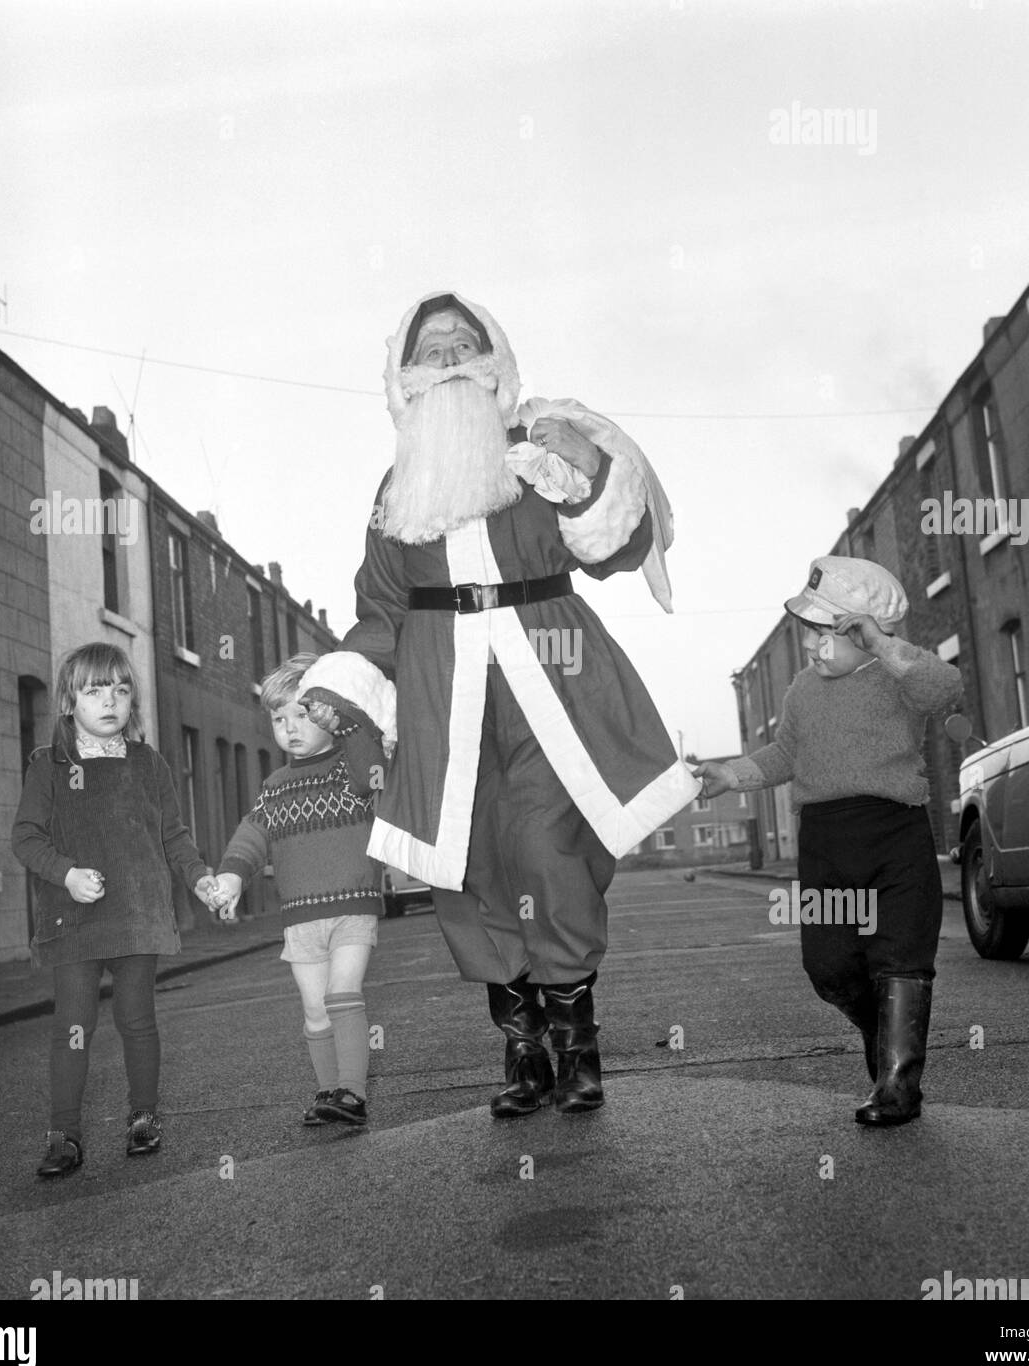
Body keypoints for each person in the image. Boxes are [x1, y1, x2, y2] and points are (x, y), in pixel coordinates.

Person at [302, 291, 699, 1118]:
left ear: (493, 363)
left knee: (546, 850)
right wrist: (339, 684)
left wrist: (586, 480)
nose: (447, 355)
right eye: (430, 346)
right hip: (443, 696)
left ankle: (576, 1044)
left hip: (551, 683)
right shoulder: (393, 488)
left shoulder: (540, 446)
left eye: (462, 343)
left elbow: (617, 547)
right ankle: (524, 1051)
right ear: (405, 377)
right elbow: (382, 607)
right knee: (469, 869)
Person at [695, 557, 963, 1126]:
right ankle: (882, 1024)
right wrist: (731, 774)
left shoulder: (901, 679)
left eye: (827, 634)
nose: (814, 647)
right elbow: (784, 755)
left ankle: (897, 1087)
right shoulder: (802, 691)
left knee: (901, 958)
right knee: (829, 968)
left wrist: (886, 648)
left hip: (895, 834)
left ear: (864, 632)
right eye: (809, 634)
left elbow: (945, 690)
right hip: (824, 843)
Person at [11, 642, 216, 1177]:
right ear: (68, 701)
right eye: (95, 690)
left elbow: (174, 837)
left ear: (133, 703)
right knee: (73, 1025)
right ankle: (64, 1135)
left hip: (137, 912)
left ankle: (143, 1117)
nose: (110, 701)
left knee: (137, 1021)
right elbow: (26, 838)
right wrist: (68, 874)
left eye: (121, 691)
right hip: (73, 918)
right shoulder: (49, 764)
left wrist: (201, 880)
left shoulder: (148, 764)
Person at [209, 651, 393, 1127]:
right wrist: (231, 875)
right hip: (299, 918)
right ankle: (328, 1091)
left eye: (302, 714)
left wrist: (347, 722)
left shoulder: (350, 770)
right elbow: (253, 835)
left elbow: (373, 763)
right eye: (278, 717)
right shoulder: (274, 786)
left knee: (341, 992)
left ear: (326, 716)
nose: (289, 727)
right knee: (314, 1011)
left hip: (353, 907)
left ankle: (353, 1093)